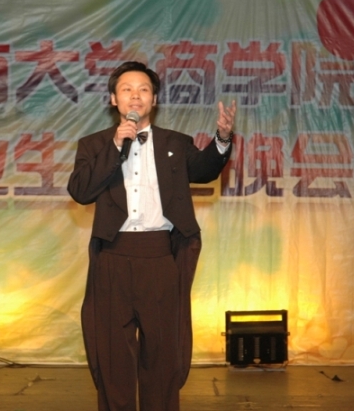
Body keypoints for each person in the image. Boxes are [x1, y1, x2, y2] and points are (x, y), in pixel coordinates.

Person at [67, 61, 236, 411]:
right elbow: (80, 191)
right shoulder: (93, 144)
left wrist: (221, 139)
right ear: (113, 99)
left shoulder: (175, 143)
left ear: (154, 99)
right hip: (113, 256)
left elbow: (205, 170)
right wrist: (115, 145)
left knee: (162, 352)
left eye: (143, 89)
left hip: (160, 257)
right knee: (112, 353)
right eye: (127, 89)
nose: (135, 95)